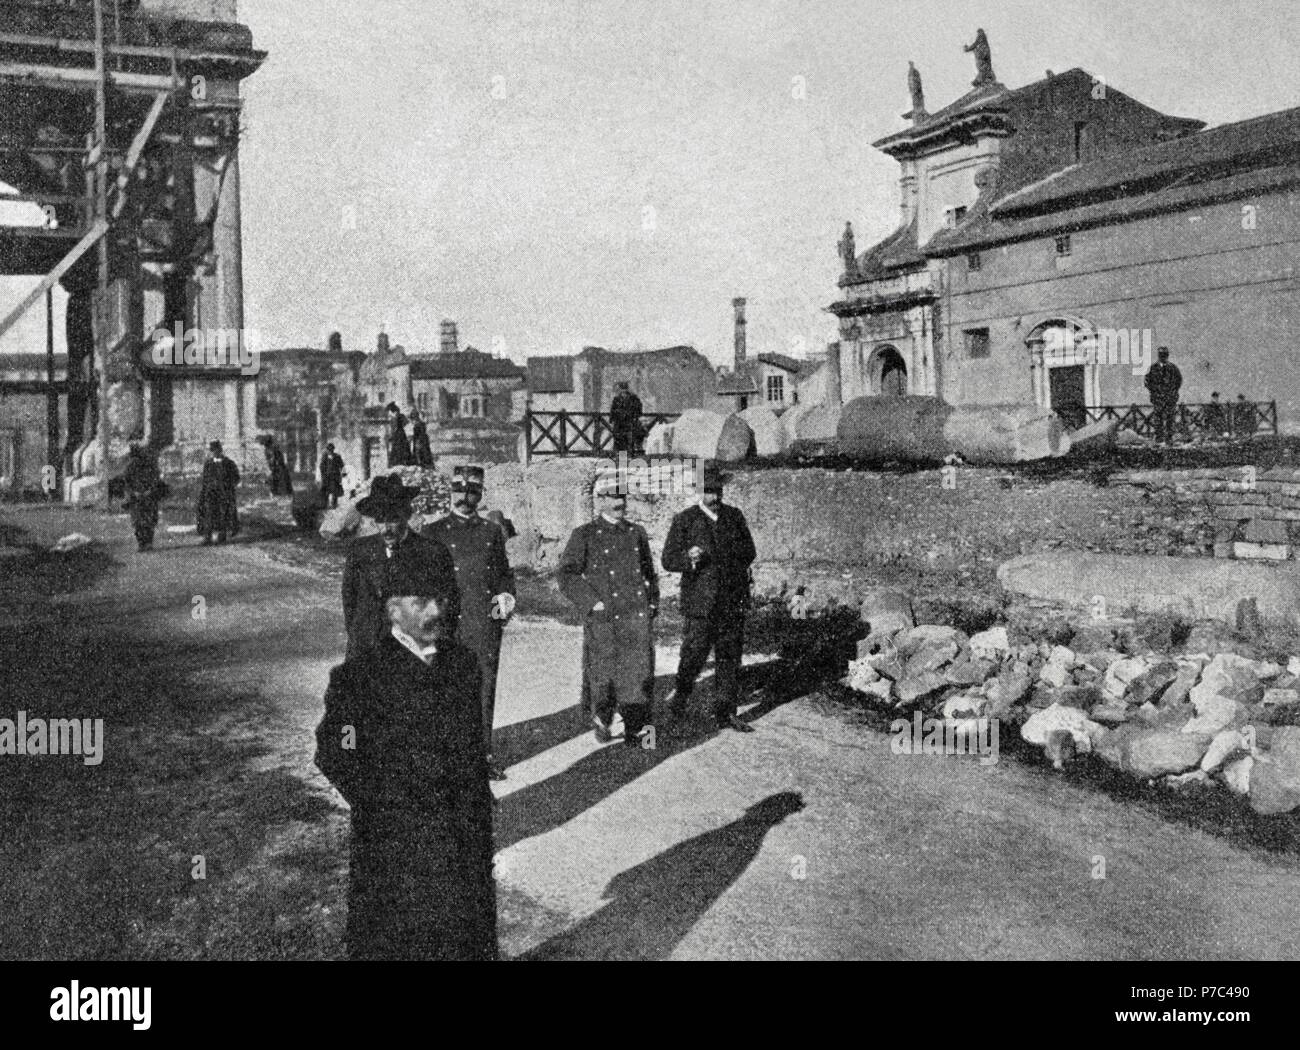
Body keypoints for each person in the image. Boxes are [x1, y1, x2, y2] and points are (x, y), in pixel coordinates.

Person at [314, 561, 497, 960]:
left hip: (460, 829)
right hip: (395, 838)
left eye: (440, 600)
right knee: (398, 936)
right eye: (421, 602)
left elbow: (469, 743)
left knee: (464, 932)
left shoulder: (462, 665)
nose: (435, 611)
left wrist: (476, 804)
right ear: (394, 610)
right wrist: (380, 803)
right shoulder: (363, 674)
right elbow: (335, 748)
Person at [426, 466, 516, 781]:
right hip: (445, 626)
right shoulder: (432, 532)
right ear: (450, 493)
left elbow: (504, 576)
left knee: (482, 688)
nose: (465, 498)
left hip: (482, 623)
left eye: (472, 492)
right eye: (459, 491)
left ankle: (482, 756)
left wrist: (502, 608)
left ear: (480, 495)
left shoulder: (491, 532)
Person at [557, 475, 658, 747]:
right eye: (612, 497)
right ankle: (602, 717)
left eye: (622, 497)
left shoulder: (636, 533)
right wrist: (591, 602)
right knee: (603, 674)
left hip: (634, 615)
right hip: (604, 616)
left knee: (638, 673)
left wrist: (651, 603)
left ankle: (636, 727)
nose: (619, 503)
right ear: (600, 500)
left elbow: (649, 573)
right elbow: (567, 575)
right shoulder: (584, 534)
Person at [661, 464, 757, 733]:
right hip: (700, 605)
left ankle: (726, 712)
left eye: (718, 491)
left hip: (730, 602)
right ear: (699, 491)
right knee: (693, 656)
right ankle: (679, 701)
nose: (714, 498)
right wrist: (688, 559)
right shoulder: (685, 519)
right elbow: (668, 559)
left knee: (729, 658)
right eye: (709, 492)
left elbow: (750, 551)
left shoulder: (734, 516)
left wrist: (729, 558)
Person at [342, 474, 459, 660]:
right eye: (380, 520)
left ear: (406, 515)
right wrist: (360, 637)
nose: (386, 528)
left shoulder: (432, 553)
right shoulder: (360, 551)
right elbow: (350, 603)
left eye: (393, 520)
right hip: (367, 654)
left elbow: (448, 607)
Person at [119, 443, 165, 552]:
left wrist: (149, 491)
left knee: (148, 521)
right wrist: (134, 493)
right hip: (137, 498)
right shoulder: (130, 468)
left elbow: (156, 480)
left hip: (147, 497)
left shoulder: (150, 466)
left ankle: (147, 543)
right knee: (139, 522)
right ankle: (142, 543)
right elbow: (126, 483)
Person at [196, 439, 240, 545]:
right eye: (213, 451)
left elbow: (236, 478)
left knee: (223, 514)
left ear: (220, 450)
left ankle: (222, 535)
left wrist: (228, 487)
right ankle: (208, 537)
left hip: (224, 494)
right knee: (209, 514)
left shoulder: (228, 463)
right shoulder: (208, 464)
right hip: (210, 494)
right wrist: (205, 491)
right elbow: (205, 479)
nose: (215, 452)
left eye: (216, 450)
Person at [1144, 346, 1182, 445]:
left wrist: (1173, 392)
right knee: (1158, 419)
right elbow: (1147, 382)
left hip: (1170, 398)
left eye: (1165, 355)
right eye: (1161, 355)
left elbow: (1179, 381)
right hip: (1158, 399)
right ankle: (1159, 438)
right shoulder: (1153, 368)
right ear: (1159, 356)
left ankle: (1169, 438)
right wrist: (1155, 392)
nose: (1163, 357)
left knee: (1170, 418)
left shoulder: (1173, 368)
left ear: (1167, 356)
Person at [608, 381, 643, 456]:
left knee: (628, 440)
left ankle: (628, 455)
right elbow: (613, 411)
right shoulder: (618, 399)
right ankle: (624, 455)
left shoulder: (632, 398)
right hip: (622, 423)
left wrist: (634, 416)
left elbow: (639, 410)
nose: (623, 392)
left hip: (628, 423)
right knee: (622, 440)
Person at [319, 443, 346, 508]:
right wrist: (323, 474)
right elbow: (321, 466)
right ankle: (325, 504)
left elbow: (342, 465)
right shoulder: (324, 456)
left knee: (335, 491)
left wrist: (343, 473)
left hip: (335, 477)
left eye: (331, 449)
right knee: (326, 491)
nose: (330, 450)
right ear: (327, 450)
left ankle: (334, 504)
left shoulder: (337, 456)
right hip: (327, 477)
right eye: (329, 449)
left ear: (333, 449)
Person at [386, 402, 413, 467]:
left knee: (397, 448)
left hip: (397, 434)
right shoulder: (401, 416)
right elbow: (406, 423)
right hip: (401, 433)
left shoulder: (393, 419)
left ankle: (398, 462)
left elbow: (393, 429)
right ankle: (404, 461)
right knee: (402, 447)